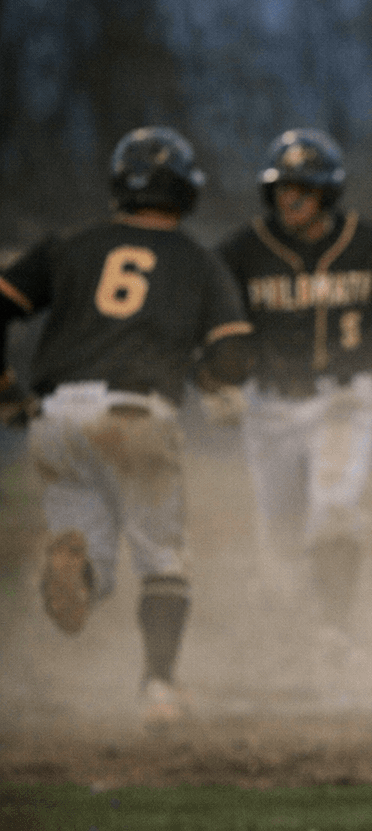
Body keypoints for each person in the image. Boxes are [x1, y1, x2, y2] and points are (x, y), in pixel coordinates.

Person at [0, 127, 253, 728]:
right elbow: (233, 354)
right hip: (136, 416)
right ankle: (159, 689)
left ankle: (78, 572)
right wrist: (211, 381)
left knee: (100, 572)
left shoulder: (70, 245)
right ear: (186, 191)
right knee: (164, 561)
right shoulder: (196, 258)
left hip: (55, 417)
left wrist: (7, 391)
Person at [218, 129, 372, 663]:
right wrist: (216, 379)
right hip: (268, 404)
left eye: (303, 189)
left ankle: (334, 631)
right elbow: (209, 316)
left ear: (328, 192)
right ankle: (281, 636)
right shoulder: (243, 247)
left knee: (335, 511)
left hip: (343, 400)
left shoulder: (367, 240)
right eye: (281, 188)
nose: (289, 199)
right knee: (278, 535)